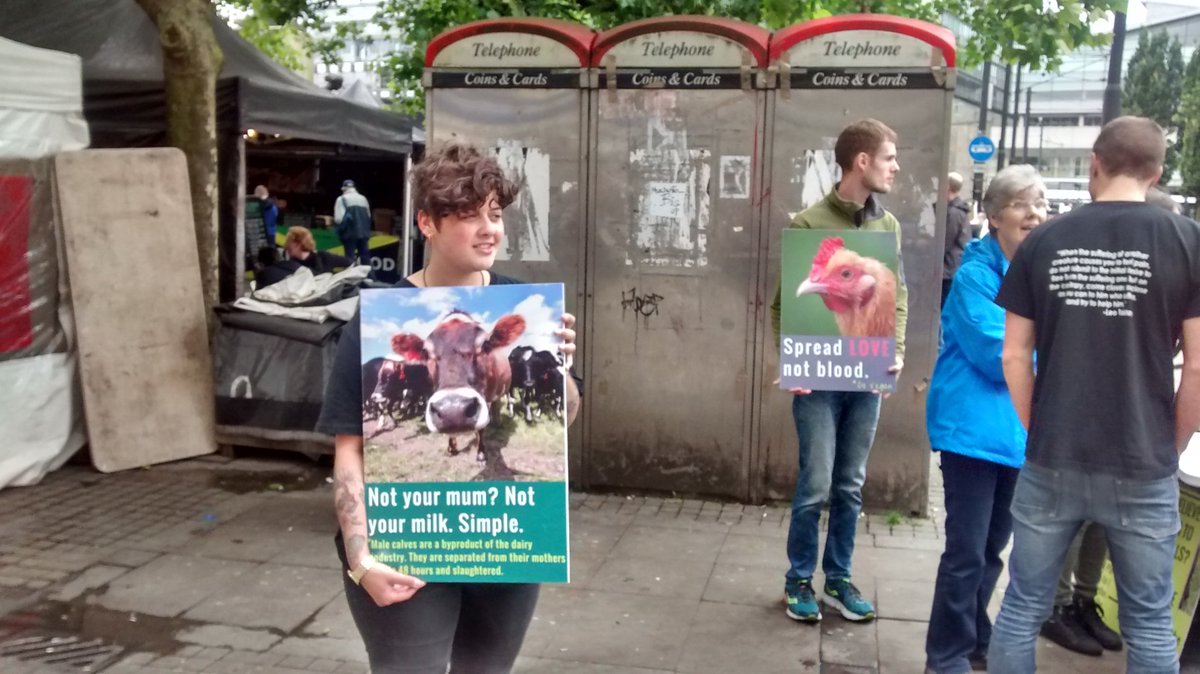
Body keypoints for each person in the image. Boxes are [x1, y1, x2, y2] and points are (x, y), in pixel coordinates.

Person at [316, 142, 581, 673]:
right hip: (404, 547)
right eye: (467, 215)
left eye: (495, 214)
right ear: (426, 223)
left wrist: (562, 368)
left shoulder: (524, 303)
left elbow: (564, 416)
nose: (490, 230)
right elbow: (349, 451)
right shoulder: (372, 317)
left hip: (507, 542)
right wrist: (360, 558)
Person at [988, 115, 1200, 673]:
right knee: (1150, 622)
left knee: (1021, 608)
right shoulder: (1187, 240)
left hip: (1053, 456)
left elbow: (1013, 355)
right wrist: (1170, 446)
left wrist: (1039, 429)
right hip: (1143, 459)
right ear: (1156, 173)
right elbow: (1198, 367)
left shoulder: (1047, 238)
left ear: (1094, 165)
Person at [769, 118, 909, 623]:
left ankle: (840, 578)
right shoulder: (808, 223)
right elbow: (783, 306)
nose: (896, 167)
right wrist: (791, 363)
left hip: (865, 382)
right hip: (818, 384)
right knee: (815, 484)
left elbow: (901, 295)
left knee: (851, 485)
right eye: (890, 157)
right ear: (862, 161)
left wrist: (894, 349)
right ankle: (799, 578)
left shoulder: (886, 226)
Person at [924, 165, 1047, 673]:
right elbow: (994, 351)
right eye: (1021, 204)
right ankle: (945, 655)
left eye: (1039, 203)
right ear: (994, 216)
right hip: (971, 434)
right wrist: (1048, 346)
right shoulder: (975, 274)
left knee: (993, 550)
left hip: (1016, 435)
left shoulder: (1043, 276)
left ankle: (974, 632)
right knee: (965, 552)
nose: (1034, 213)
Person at [256, 226, 354, 290]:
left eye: (289, 241)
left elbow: (350, 263)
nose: (286, 245)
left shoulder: (324, 257)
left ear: (298, 243)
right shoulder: (289, 265)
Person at [941, 171, 972, 307]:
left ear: (947, 186)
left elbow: (945, 241)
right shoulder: (959, 210)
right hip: (954, 265)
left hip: (949, 268)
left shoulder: (954, 213)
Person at [336, 179, 373, 267]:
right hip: (364, 233)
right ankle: (370, 277)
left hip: (349, 233)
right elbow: (369, 216)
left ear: (344, 188)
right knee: (365, 257)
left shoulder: (342, 199)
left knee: (350, 257)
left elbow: (339, 219)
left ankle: (351, 277)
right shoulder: (363, 199)